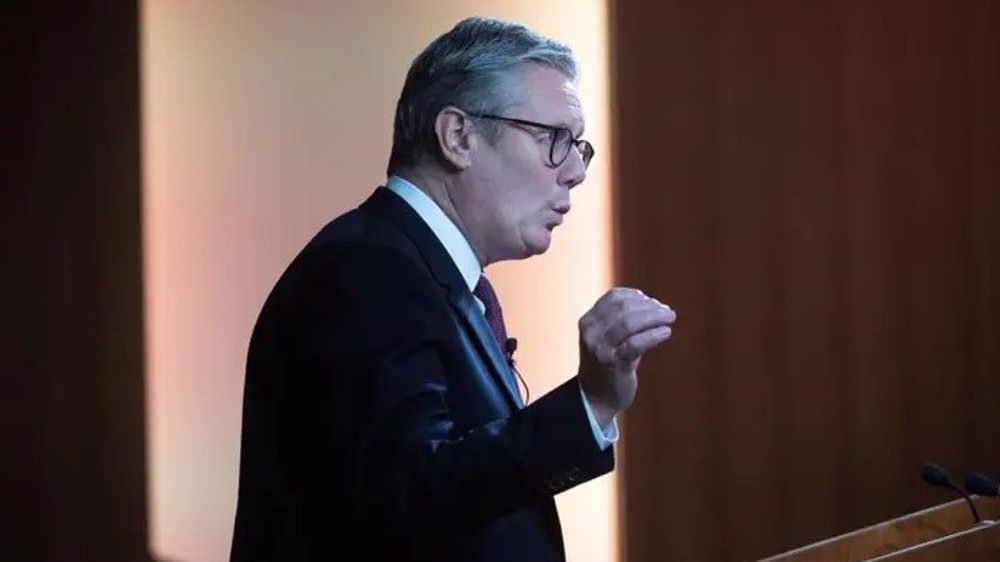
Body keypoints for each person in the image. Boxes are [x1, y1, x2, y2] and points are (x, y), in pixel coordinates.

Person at [229, 16, 676, 562]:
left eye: (578, 147)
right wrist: (590, 401)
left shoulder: (418, 269)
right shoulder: (368, 271)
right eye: (554, 139)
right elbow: (411, 494)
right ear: (458, 136)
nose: (575, 173)